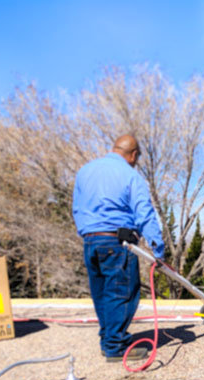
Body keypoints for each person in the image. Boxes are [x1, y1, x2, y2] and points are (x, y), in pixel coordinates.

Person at [72, 134, 165, 362]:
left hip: (91, 241)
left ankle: (108, 339)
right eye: (136, 159)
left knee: (102, 293)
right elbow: (144, 213)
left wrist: (87, 233)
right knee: (122, 292)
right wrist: (158, 248)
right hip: (117, 241)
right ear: (133, 155)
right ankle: (116, 346)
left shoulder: (85, 171)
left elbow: (76, 208)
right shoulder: (129, 175)